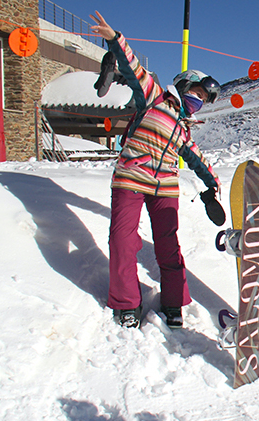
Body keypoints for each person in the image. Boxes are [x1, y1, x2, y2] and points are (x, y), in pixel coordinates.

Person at [90, 11, 222, 329]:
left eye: (203, 99)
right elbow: (134, 67)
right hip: (132, 177)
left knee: (168, 244)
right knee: (122, 239)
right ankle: (126, 303)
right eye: (197, 93)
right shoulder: (153, 97)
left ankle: (173, 303)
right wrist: (114, 38)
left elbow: (197, 159)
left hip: (165, 187)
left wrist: (213, 183)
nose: (198, 100)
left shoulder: (182, 130)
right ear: (184, 85)